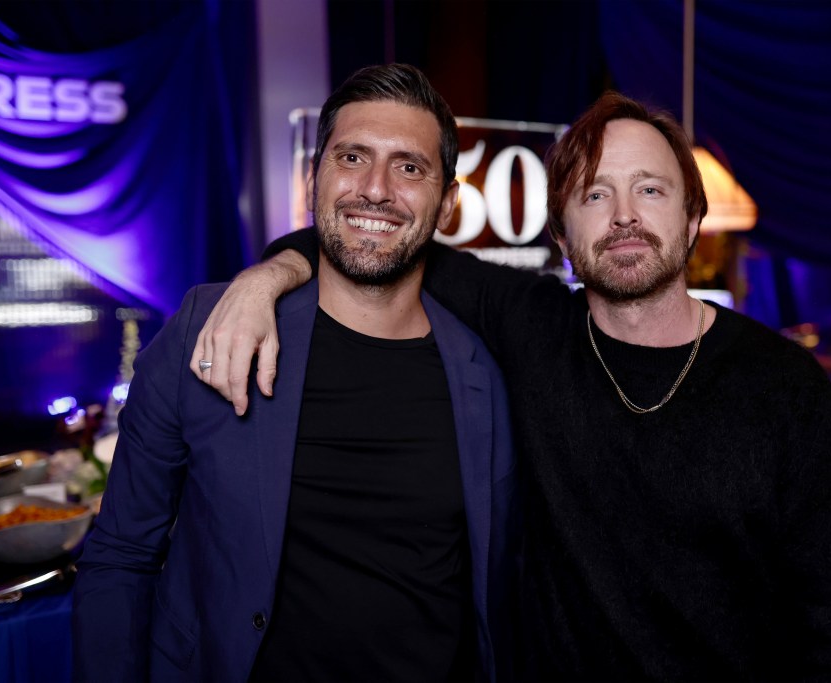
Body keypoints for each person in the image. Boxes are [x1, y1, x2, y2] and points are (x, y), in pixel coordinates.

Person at [194, 91, 831, 680]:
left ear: (692, 219)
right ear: (563, 237)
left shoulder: (785, 386)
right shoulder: (532, 327)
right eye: (595, 194)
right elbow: (370, 236)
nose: (624, 215)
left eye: (651, 190)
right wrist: (267, 279)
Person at [72, 64, 519, 683]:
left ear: (447, 204)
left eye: (410, 167)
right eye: (352, 157)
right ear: (315, 179)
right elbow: (122, 555)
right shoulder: (210, 330)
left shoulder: (484, 378)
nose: (376, 189)